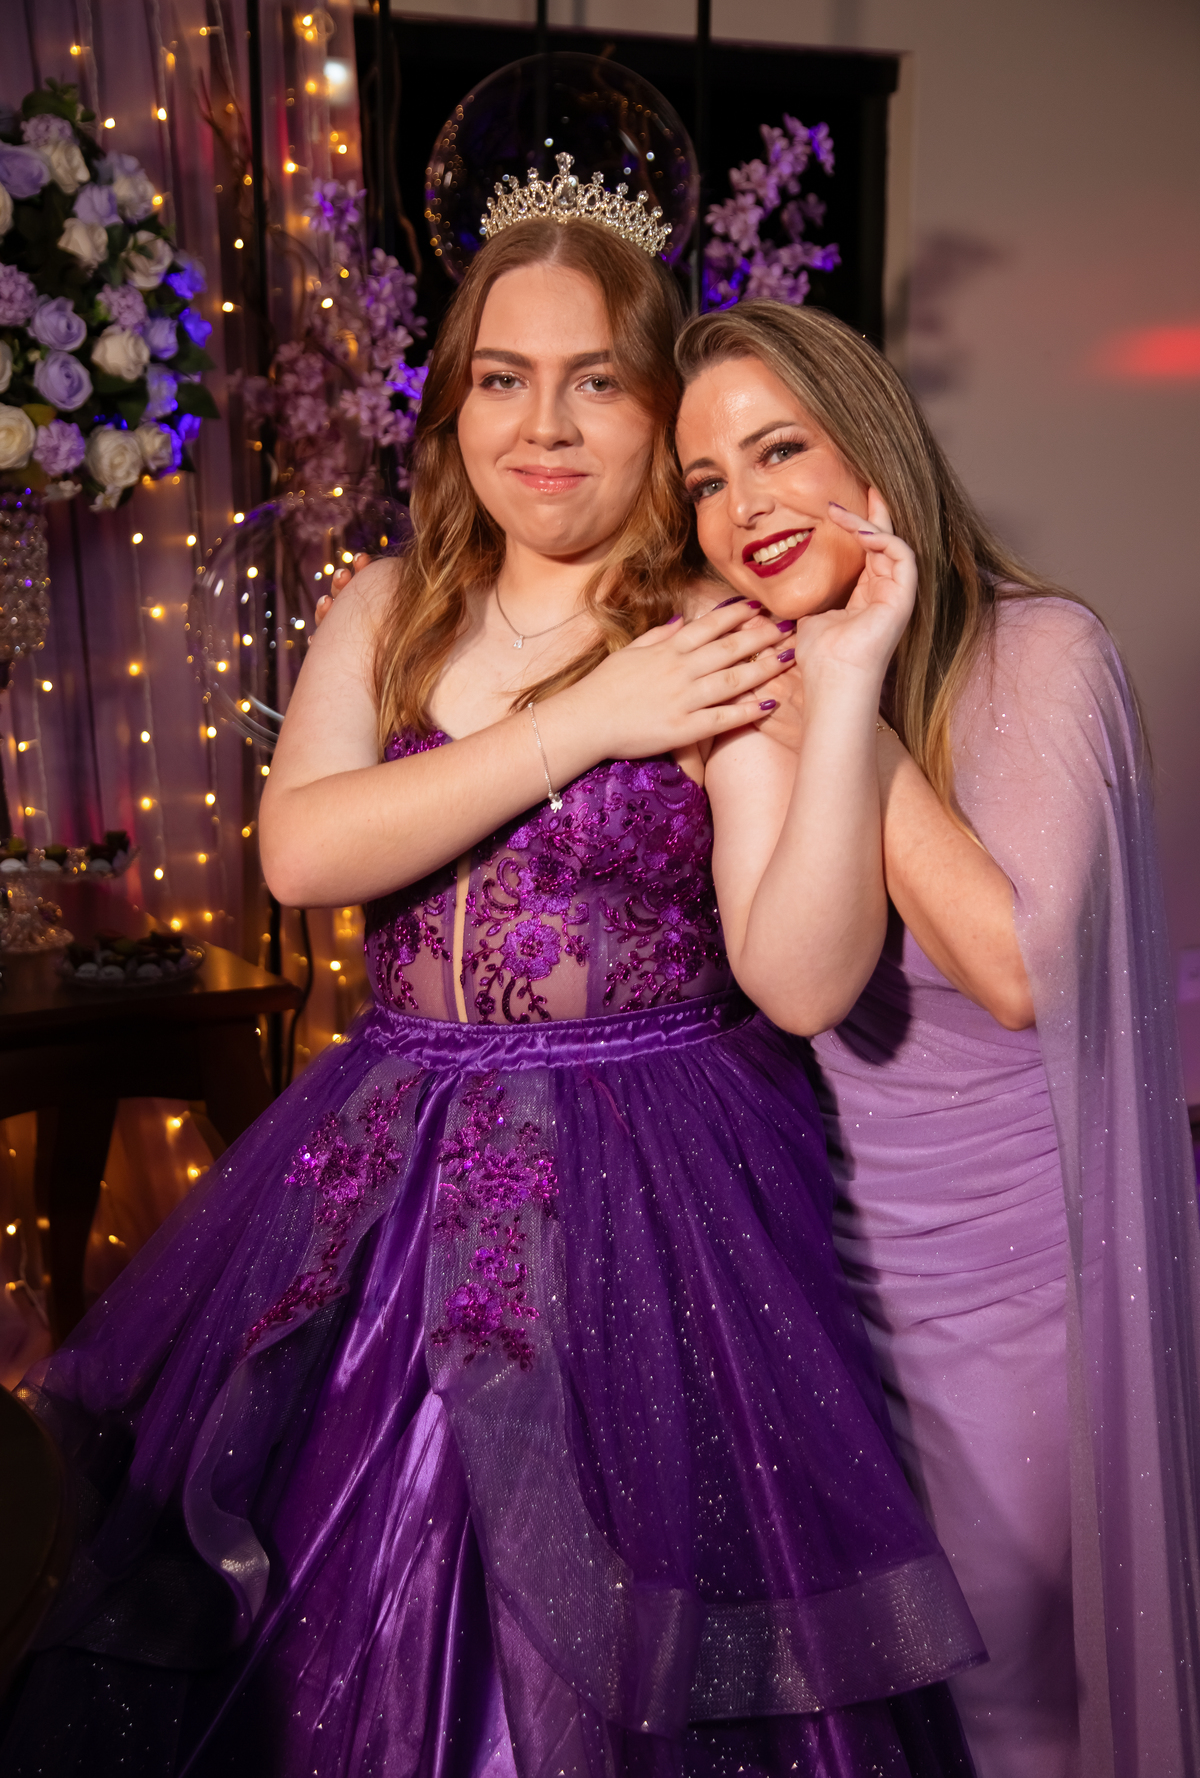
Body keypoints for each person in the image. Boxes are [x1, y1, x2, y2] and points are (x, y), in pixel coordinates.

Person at [0, 206, 985, 1775]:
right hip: (382, 1158)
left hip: (645, 1181)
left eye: (597, 381)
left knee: (614, 1606)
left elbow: (800, 983)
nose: (545, 425)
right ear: (454, 406)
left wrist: (843, 682)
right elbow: (304, 851)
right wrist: (586, 719)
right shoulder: (389, 607)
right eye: (504, 378)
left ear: (660, 410)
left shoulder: (712, 636)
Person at [670, 298, 1200, 1778]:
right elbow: (790, 984)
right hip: (832, 1290)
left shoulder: (1044, 651)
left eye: (778, 450)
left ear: (873, 452)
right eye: (706, 480)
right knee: (889, 1708)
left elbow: (1021, 973)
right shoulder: (756, 685)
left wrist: (858, 718)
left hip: (1029, 1293)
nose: (743, 507)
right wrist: (808, 704)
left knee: (1020, 1696)